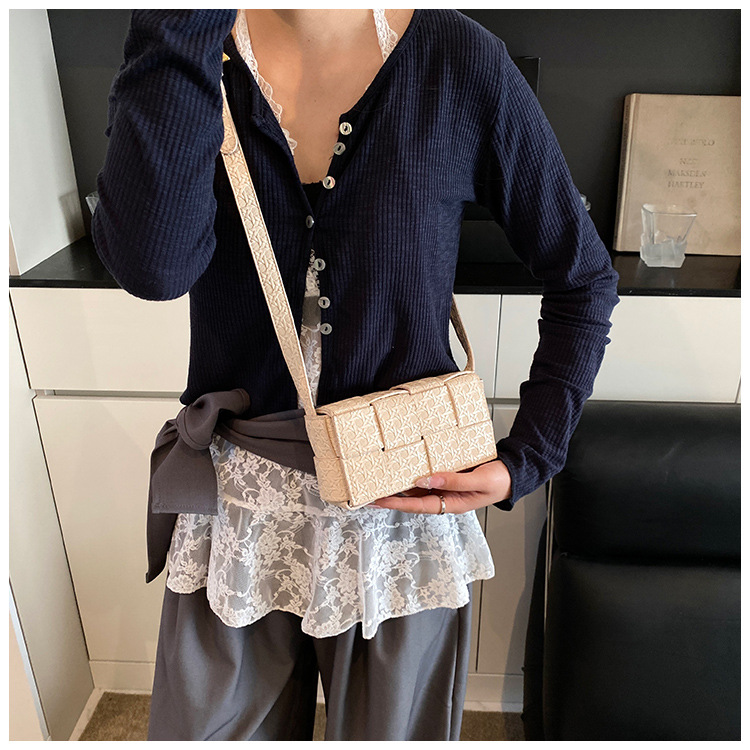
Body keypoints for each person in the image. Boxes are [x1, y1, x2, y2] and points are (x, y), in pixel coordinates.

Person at [92, 9, 620, 741]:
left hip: (401, 512)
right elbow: (154, 268)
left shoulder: (456, 59)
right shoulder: (187, 46)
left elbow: (584, 278)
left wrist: (529, 455)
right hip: (239, 511)